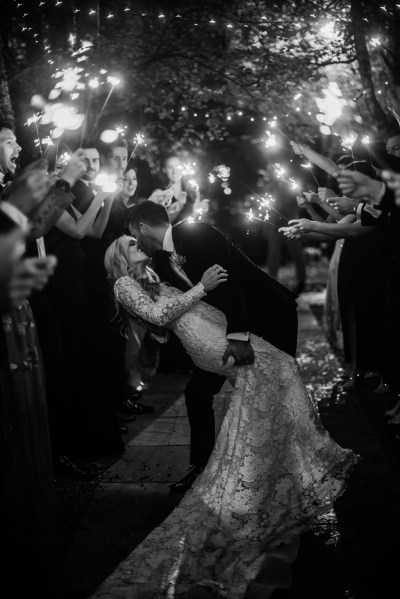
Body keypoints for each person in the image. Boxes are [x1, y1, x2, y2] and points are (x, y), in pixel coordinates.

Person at [95, 234, 358, 598]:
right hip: (205, 339)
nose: (138, 242)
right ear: (120, 256)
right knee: (278, 368)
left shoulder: (151, 274)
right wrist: (202, 286)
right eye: (130, 242)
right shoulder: (124, 283)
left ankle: (274, 465)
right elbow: (157, 316)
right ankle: (272, 467)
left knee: (274, 377)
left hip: (212, 327)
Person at [127, 201, 298, 492]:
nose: (134, 239)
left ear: (142, 227)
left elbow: (230, 284)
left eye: (132, 233)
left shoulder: (197, 233)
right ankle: (202, 469)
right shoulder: (161, 262)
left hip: (269, 317)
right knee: (197, 393)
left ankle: (283, 470)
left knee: (273, 393)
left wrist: (238, 336)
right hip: (225, 331)